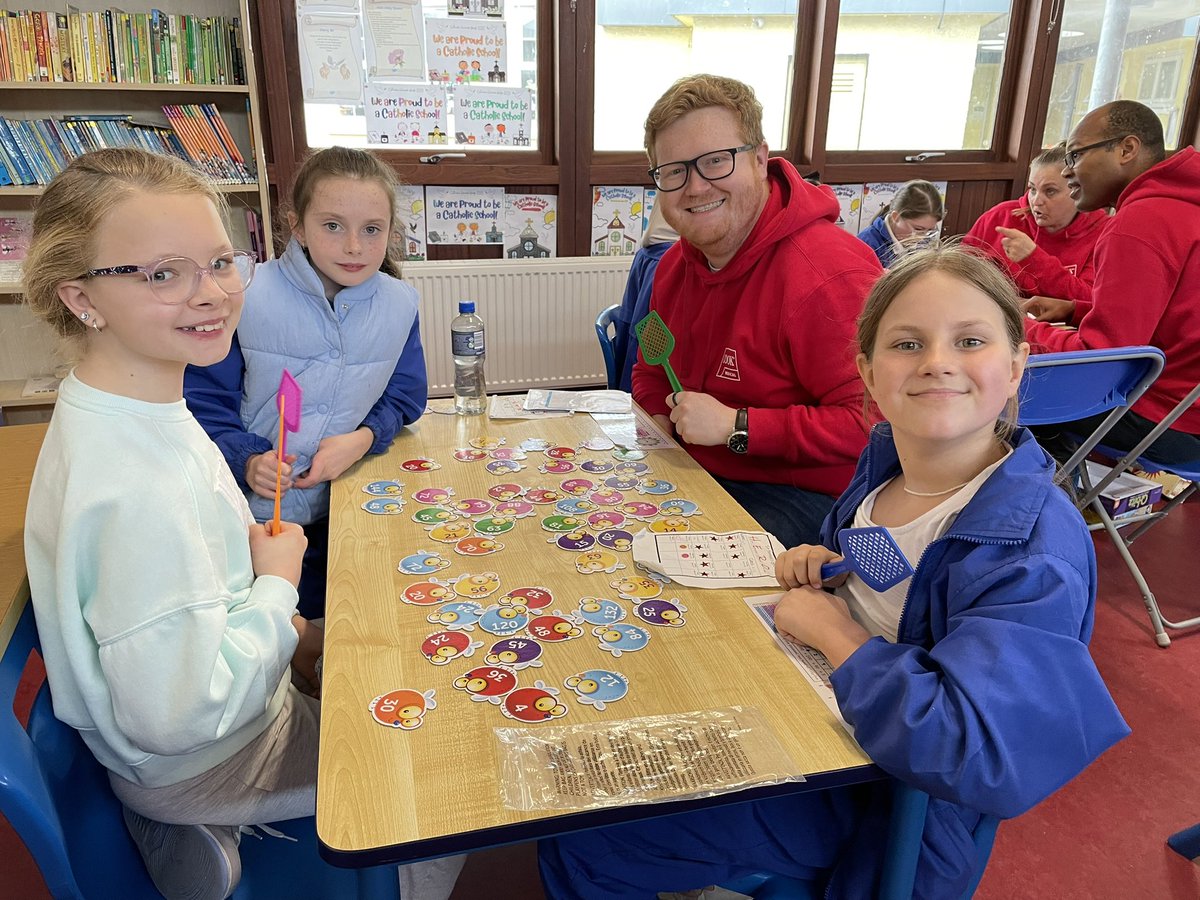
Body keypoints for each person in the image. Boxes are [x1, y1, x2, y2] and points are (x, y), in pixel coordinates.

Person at [539, 246, 1128, 899]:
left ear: (1017, 366)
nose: (937, 361)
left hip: (886, 803)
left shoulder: (1031, 553)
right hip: (824, 719)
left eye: (969, 340)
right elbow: (903, 576)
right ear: (868, 374)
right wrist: (832, 567)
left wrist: (841, 638)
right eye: (908, 343)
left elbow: (978, 751)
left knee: (588, 833)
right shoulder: (892, 472)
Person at [21, 149, 462, 900]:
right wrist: (277, 592)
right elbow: (178, 716)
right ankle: (208, 825)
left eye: (221, 262)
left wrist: (290, 623)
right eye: (163, 273)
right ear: (82, 297)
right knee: (454, 764)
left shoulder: (141, 403)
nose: (215, 295)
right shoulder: (134, 487)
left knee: (413, 646)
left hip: (215, 708)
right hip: (206, 760)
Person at [631, 74, 882, 548]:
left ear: (761, 159)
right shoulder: (669, 268)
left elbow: (875, 425)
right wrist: (658, 431)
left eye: (715, 161)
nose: (695, 187)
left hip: (812, 497)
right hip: (698, 469)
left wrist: (737, 427)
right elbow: (651, 371)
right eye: (674, 171)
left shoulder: (830, 274)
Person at [185, 147, 428, 618]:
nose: (354, 246)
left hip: (350, 511)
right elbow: (202, 405)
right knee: (269, 629)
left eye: (371, 230)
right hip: (254, 521)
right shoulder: (247, 294)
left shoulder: (400, 303)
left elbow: (405, 395)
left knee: (352, 622)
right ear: (297, 226)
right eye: (333, 226)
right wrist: (249, 459)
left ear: (391, 233)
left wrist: (361, 440)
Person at [1023, 100, 1200, 467]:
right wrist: (1076, 309)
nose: (1069, 171)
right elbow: (1169, 317)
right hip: (1188, 410)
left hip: (1170, 422)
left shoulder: (1140, 222)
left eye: (1075, 156)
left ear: (1126, 149)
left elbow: (1103, 358)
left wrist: (1020, 328)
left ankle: (1051, 512)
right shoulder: (1186, 207)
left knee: (999, 392)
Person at [964, 143, 1107, 309]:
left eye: (1050, 191)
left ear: (1077, 190)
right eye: (1032, 189)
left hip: (1064, 331)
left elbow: (1091, 301)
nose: (1036, 201)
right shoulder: (1000, 217)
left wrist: (1034, 259)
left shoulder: (1102, 232)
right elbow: (959, 275)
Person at [610, 202, 679, 392]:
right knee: (648, 341)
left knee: (640, 334)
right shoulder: (670, 261)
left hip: (651, 252)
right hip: (665, 255)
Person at [856, 179, 944, 268]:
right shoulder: (867, 244)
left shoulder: (926, 241)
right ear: (895, 217)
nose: (922, 237)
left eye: (930, 230)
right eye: (918, 229)